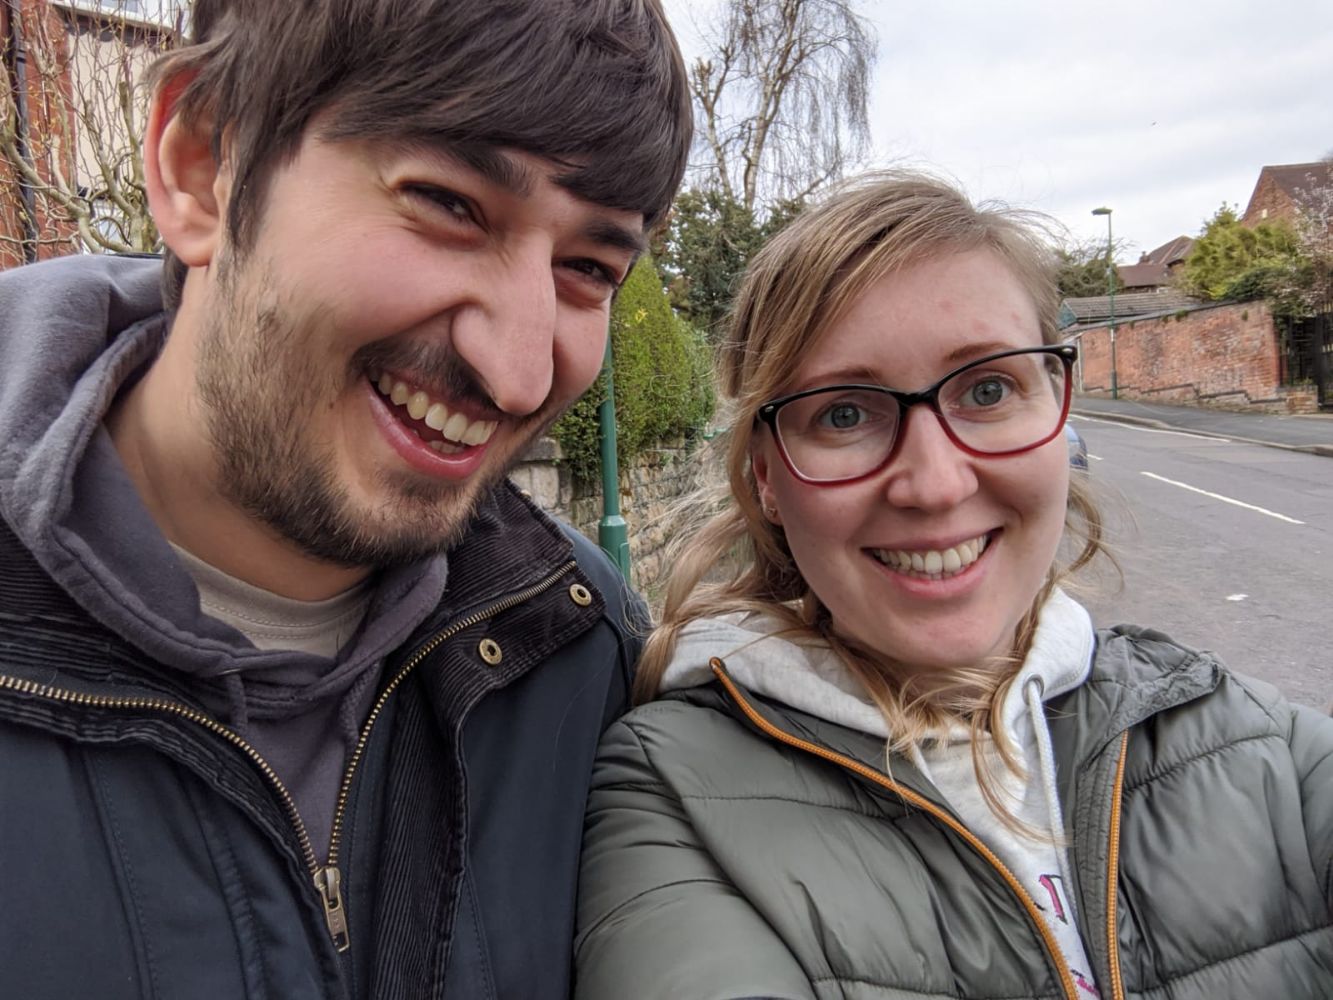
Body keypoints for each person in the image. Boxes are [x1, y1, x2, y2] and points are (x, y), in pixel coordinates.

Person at [0, 1, 690, 996]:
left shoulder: (585, 655)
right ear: (201, 164)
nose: (516, 371)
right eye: (450, 204)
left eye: (587, 268)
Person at [575, 174, 1333, 999]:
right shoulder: (674, 793)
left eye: (987, 389)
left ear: (1059, 409)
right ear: (764, 478)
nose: (933, 485)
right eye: (842, 414)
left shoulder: (1265, 753)